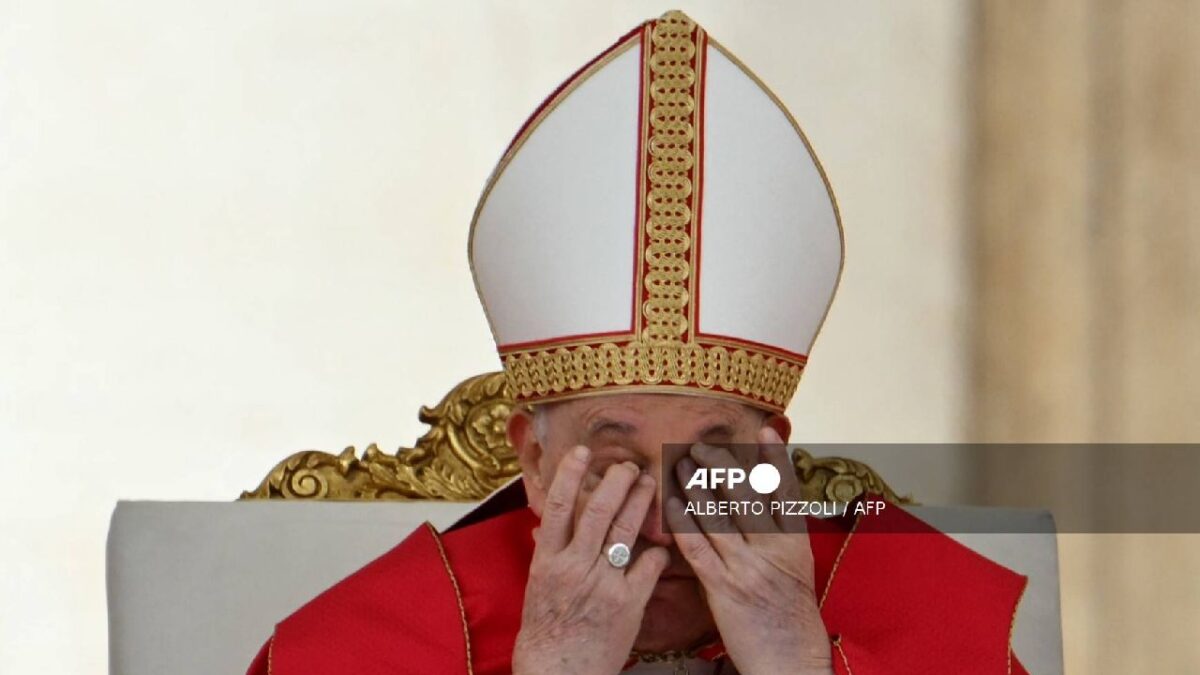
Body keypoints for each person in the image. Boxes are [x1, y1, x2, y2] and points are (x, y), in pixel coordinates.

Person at [248, 11, 1028, 674]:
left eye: (706, 467)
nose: (662, 527)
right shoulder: (378, 640)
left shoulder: (915, 606)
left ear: (772, 460)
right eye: (617, 469)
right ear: (533, 460)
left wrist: (795, 658)